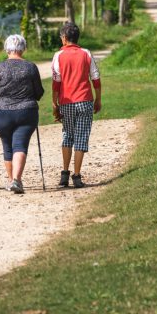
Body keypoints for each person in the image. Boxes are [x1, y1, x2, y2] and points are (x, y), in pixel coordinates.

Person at [0, 34, 44, 194]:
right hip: (26, 112)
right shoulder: (31, 67)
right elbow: (39, 93)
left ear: (7, 49)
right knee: (20, 145)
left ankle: (12, 180)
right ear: (23, 48)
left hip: (2, 113)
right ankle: (16, 181)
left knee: (7, 146)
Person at [51, 21, 101, 189]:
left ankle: (64, 174)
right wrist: (98, 98)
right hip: (85, 101)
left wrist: (54, 103)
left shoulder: (58, 55)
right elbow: (95, 77)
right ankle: (77, 175)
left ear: (65, 38)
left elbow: (56, 82)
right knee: (81, 138)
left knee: (67, 135)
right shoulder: (86, 53)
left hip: (67, 102)